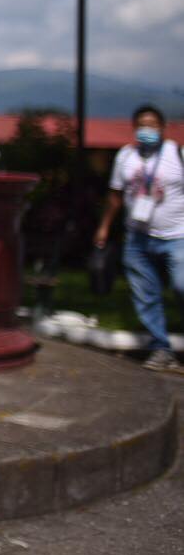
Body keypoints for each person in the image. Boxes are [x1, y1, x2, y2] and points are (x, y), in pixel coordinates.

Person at [95, 104, 184, 372]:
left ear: (162, 127)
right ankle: (161, 348)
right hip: (138, 238)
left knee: (182, 287)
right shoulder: (126, 156)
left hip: (177, 235)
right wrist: (104, 227)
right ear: (134, 129)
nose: (147, 130)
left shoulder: (176, 153)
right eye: (142, 125)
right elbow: (115, 195)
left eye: (152, 124)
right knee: (146, 295)